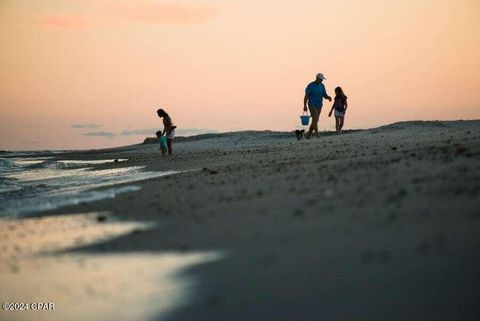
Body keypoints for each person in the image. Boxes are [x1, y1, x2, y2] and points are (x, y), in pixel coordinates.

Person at [303, 73, 332, 139]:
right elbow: (306, 96)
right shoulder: (310, 86)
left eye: (322, 79)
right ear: (317, 78)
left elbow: (324, 95)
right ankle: (317, 134)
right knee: (316, 118)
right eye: (321, 79)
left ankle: (308, 135)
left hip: (319, 105)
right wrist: (305, 106)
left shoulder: (322, 86)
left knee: (315, 120)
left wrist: (328, 97)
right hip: (312, 104)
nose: (322, 81)